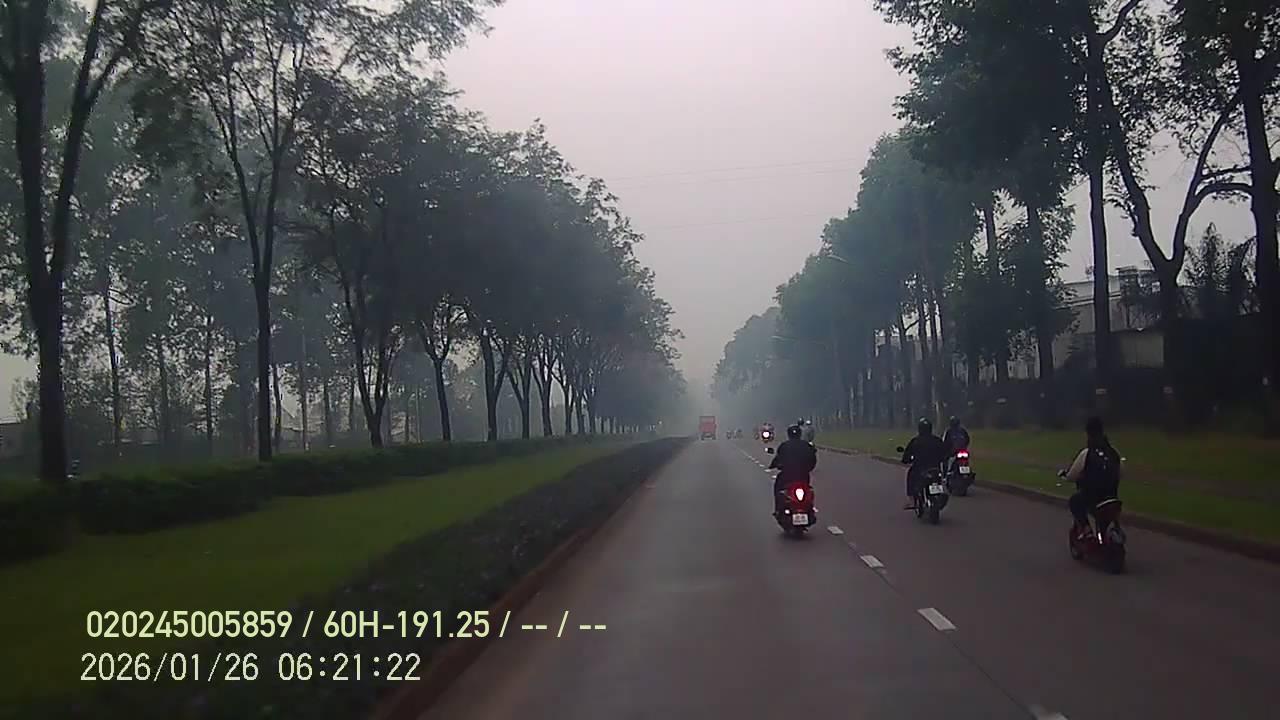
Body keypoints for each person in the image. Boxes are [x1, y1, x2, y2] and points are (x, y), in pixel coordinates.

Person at [1063, 417, 1122, 538]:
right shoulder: (1114, 452)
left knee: (1074, 501)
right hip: (1112, 498)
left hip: (1092, 499)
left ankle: (1086, 529)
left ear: (1088, 433)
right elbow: (1121, 473)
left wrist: (1067, 476)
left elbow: (1072, 475)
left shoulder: (1087, 453)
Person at [769, 423, 817, 513]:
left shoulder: (784, 445)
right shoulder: (806, 445)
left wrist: (773, 465)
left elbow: (778, 458)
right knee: (808, 488)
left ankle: (778, 509)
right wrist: (808, 468)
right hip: (803, 475)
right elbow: (813, 460)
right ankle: (809, 508)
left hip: (787, 475)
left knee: (778, 488)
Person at [900, 418, 947, 509]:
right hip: (935, 468)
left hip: (920, 469)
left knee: (911, 476)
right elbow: (944, 453)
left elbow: (906, 456)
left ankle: (912, 501)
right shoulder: (937, 440)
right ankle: (939, 494)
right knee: (938, 478)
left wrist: (906, 460)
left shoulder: (916, 441)